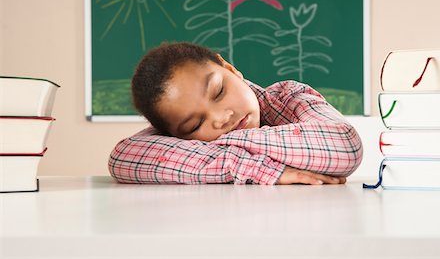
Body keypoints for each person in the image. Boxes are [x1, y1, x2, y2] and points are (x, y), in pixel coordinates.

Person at [109, 42, 363, 185]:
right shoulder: (171, 132)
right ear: (173, 136)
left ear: (230, 68)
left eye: (218, 92)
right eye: (195, 124)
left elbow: (345, 146)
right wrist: (252, 167)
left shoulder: (291, 97)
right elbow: (122, 156)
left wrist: (222, 142)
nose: (221, 118)